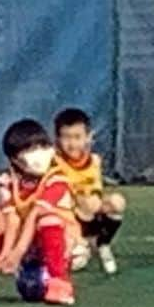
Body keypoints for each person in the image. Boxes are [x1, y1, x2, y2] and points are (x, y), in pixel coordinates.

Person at [0, 119, 79, 307]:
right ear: (15, 159)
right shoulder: (8, 181)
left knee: (47, 218)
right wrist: (5, 254)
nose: (39, 153)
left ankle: (59, 282)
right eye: (30, 149)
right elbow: (11, 217)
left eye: (43, 146)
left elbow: (34, 215)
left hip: (58, 242)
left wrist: (17, 254)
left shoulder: (57, 179)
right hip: (24, 241)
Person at [54, 107, 126, 276]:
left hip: (87, 212)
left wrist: (89, 201)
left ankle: (102, 243)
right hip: (65, 217)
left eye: (77, 137)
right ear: (57, 139)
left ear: (88, 137)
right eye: (66, 137)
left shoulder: (94, 161)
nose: (72, 144)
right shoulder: (54, 162)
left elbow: (95, 194)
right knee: (75, 260)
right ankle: (77, 244)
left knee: (117, 202)